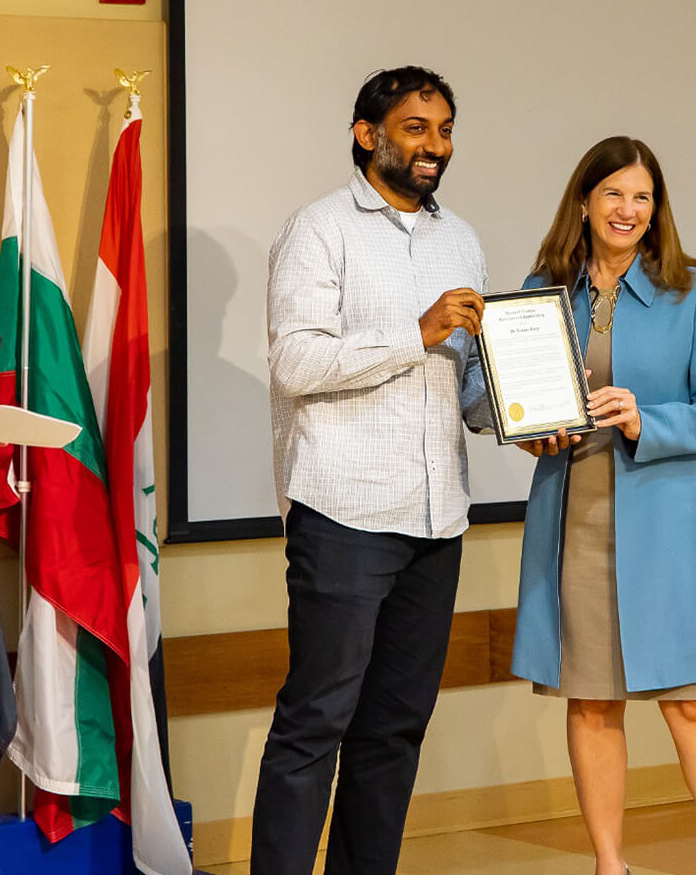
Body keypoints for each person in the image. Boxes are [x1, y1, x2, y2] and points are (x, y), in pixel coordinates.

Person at [252, 66, 489, 875]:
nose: (435, 146)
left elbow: (461, 381)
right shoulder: (319, 230)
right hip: (346, 514)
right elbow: (295, 361)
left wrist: (523, 418)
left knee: (393, 730)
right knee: (316, 722)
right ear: (368, 135)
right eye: (417, 127)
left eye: (446, 129)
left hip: (437, 519)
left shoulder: (461, 240)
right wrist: (415, 333)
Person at [511, 136, 696, 875]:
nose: (628, 209)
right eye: (614, 193)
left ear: (657, 208)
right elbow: (488, 395)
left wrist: (647, 417)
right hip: (576, 522)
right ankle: (608, 865)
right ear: (584, 201)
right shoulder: (541, 288)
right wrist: (526, 430)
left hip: (669, 530)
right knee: (590, 703)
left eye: (642, 196)